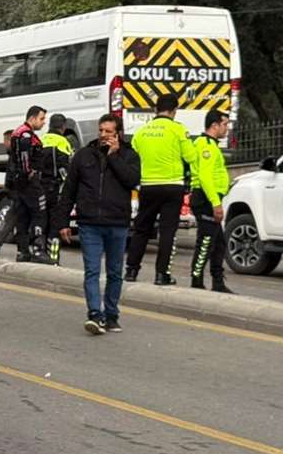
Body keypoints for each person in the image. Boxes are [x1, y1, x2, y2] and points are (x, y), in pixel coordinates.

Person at [53, 114, 142, 334]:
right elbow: (69, 190)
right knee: (92, 271)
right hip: (89, 223)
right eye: (101, 130)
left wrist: (114, 157)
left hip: (117, 223)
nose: (103, 135)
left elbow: (132, 181)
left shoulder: (130, 155)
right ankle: (95, 314)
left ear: (118, 134)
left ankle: (111, 315)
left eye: (108, 132)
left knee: (114, 273)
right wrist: (63, 221)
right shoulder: (84, 155)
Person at [125, 94, 198, 285]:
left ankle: (131, 271)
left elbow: (133, 157)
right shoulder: (178, 129)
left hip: (148, 186)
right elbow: (191, 157)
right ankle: (161, 274)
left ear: (155, 109)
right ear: (174, 111)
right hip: (173, 186)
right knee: (167, 232)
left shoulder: (141, 132)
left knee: (141, 229)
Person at [189, 110, 234, 293]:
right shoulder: (206, 145)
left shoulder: (209, 144)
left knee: (219, 242)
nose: (227, 129)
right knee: (206, 241)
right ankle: (196, 280)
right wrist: (215, 203)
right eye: (225, 125)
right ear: (214, 125)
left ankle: (218, 282)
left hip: (209, 197)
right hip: (206, 198)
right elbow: (205, 177)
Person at [7, 105, 54, 263]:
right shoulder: (25, 134)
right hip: (28, 183)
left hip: (19, 183)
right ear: (32, 118)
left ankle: (23, 251)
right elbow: (25, 158)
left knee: (23, 216)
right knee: (39, 212)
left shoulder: (18, 132)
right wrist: (30, 172)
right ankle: (38, 250)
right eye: (41, 119)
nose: (43, 123)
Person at [41, 114, 75, 263]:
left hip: (40, 190)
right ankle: (53, 259)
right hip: (55, 190)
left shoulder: (41, 140)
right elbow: (65, 168)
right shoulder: (63, 142)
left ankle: (39, 254)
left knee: (42, 223)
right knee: (55, 227)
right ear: (63, 127)